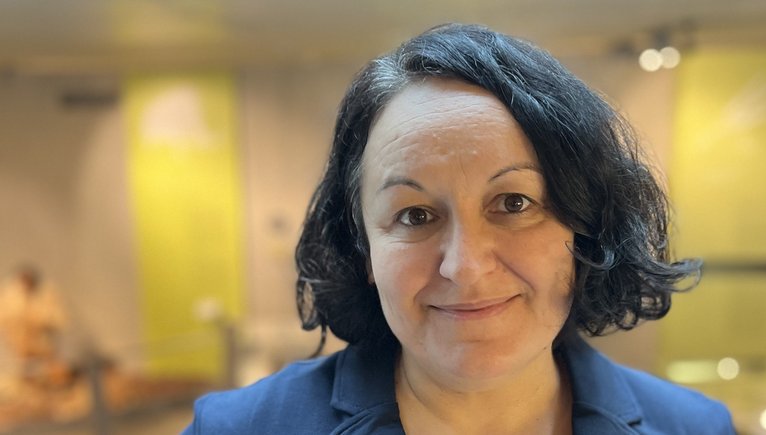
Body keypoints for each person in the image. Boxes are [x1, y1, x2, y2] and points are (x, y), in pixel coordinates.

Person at [184, 24, 735, 434]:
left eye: (514, 203)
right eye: (414, 216)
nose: (465, 266)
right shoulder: (238, 428)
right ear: (363, 252)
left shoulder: (695, 427)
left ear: (586, 230)